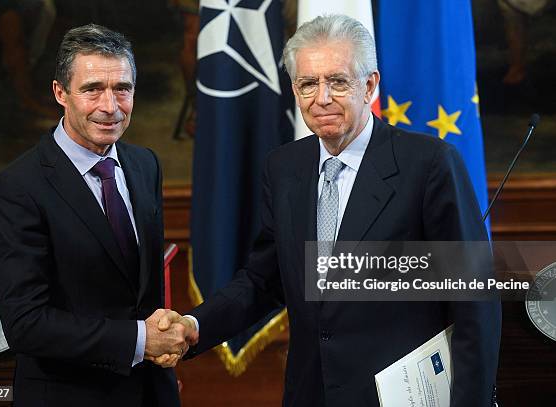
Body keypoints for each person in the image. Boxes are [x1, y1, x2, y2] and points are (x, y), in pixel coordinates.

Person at [156, 15, 501, 406]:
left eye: (337, 82)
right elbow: (264, 280)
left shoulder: (429, 164)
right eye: (308, 84)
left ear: (369, 85)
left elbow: (475, 300)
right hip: (310, 394)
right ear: (294, 90)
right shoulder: (284, 167)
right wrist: (193, 325)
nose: (321, 98)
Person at [0, 24, 196, 407]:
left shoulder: (145, 165)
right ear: (60, 93)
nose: (111, 107)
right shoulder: (17, 188)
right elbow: (26, 325)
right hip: (69, 395)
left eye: (123, 89)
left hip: (152, 391)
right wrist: (140, 340)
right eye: (92, 89)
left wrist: (160, 349)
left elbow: (141, 292)